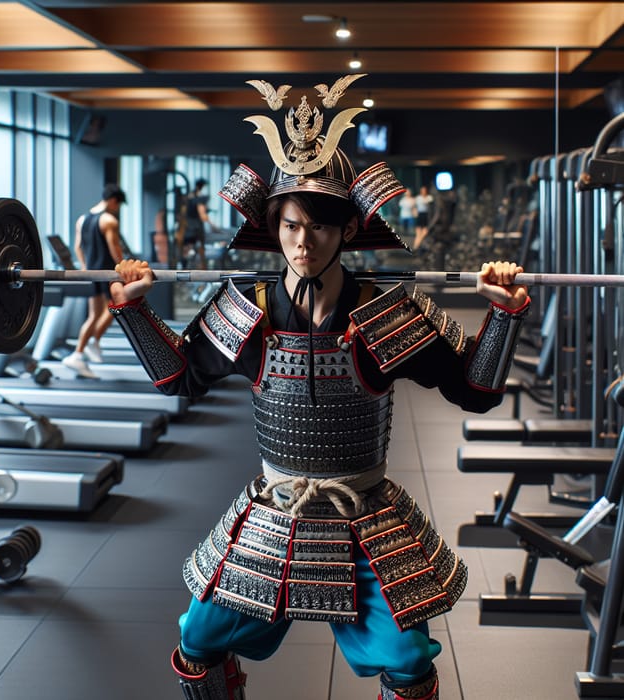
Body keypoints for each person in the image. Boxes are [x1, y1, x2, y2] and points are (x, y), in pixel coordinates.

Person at [108, 76, 530, 700]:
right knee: (196, 642)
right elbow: (179, 377)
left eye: (320, 228)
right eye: (290, 225)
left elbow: (475, 388)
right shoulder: (246, 310)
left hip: (363, 515)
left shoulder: (387, 312)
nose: (303, 243)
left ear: (349, 232)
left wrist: (503, 315)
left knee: (408, 659)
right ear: (273, 227)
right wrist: (135, 310)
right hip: (274, 513)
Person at [62, 183, 126, 379]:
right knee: (117, 306)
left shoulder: (83, 219)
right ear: (114, 201)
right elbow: (114, 249)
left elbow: (78, 246)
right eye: (119, 205)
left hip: (92, 272)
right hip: (108, 274)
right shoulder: (109, 221)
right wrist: (124, 269)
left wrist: (85, 268)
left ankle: (81, 352)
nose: (118, 209)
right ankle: (90, 343)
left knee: (94, 315)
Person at [181, 178, 220, 268]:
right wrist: (213, 225)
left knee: (187, 250)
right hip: (195, 227)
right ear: (202, 186)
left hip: (187, 226)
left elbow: (183, 212)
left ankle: (185, 271)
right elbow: (202, 215)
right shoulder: (199, 198)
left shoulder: (190, 196)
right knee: (198, 250)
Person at [413, 185, 433, 251]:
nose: (423, 192)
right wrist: (415, 213)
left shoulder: (429, 197)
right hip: (420, 215)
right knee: (418, 233)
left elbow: (430, 204)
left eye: (424, 190)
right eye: (422, 190)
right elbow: (414, 206)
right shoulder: (418, 198)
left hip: (426, 215)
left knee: (424, 232)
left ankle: (416, 246)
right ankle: (415, 247)